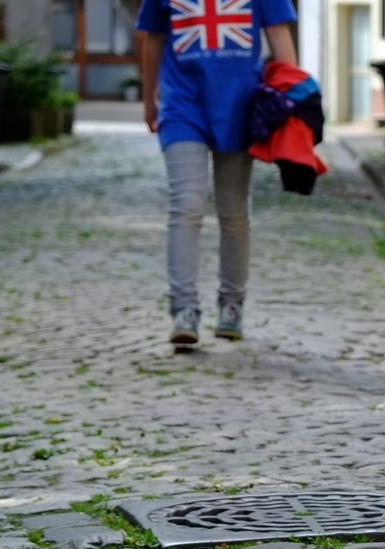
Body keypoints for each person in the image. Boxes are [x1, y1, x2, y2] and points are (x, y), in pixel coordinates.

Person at [137, 0, 300, 345]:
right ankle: (183, 309)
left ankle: (231, 304)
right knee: (187, 203)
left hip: (241, 106)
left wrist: (290, 100)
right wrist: (149, 98)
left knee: (234, 211)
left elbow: (278, 33)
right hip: (182, 106)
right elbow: (153, 36)